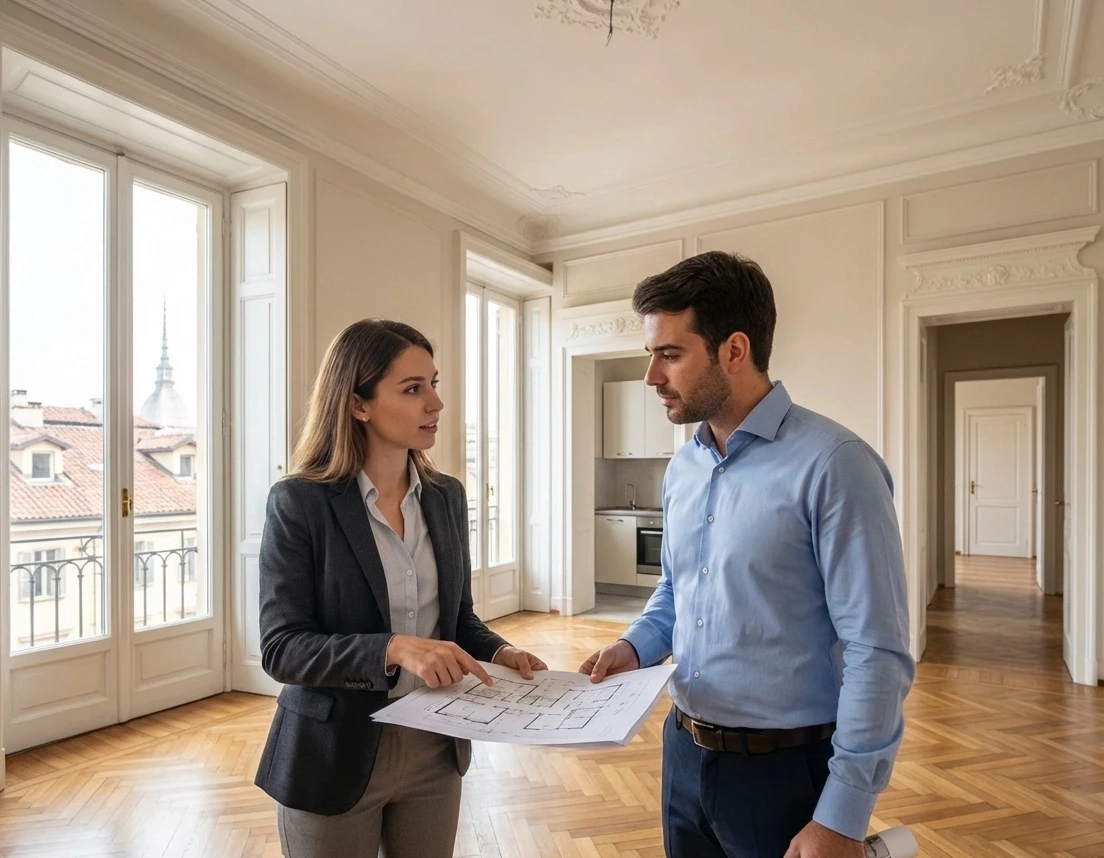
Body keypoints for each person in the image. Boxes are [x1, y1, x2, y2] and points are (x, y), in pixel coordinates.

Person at [579, 251, 914, 858]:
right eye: (650, 355)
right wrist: (634, 646)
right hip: (683, 752)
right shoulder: (683, 467)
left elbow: (878, 651)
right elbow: (678, 590)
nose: (652, 376)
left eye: (670, 354)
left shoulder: (837, 465)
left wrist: (841, 817)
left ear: (734, 350)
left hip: (784, 772)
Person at [254, 319, 547, 858]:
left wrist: (502, 651)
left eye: (434, 384)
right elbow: (282, 649)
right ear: (358, 404)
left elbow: (457, 621)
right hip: (332, 756)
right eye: (413, 389)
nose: (435, 403)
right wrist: (390, 648)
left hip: (437, 752)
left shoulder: (446, 497)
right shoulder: (299, 503)